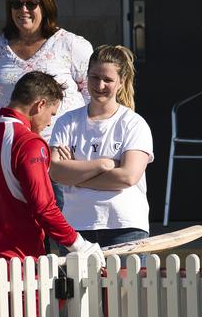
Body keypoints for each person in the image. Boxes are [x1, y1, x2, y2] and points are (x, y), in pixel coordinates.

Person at [0, 70, 103, 264]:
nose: (49, 124)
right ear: (40, 105)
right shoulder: (28, 143)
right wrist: (80, 245)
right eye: (51, 114)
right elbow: (45, 207)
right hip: (17, 266)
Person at [0, 0, 93, 227]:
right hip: (11, 156)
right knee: (22, 230)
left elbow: (92, 96)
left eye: (31, 3)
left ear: (45, 6)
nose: (23, 10)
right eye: (16, 4)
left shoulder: (71, 45)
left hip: (60, 155)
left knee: (64, 227)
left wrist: (81, 142)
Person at [49, 45, 154, 249]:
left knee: (124, 283)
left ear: (121, 82)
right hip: (76, 227)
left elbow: (127, 177)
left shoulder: (134, 123)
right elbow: (56, 172)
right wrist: (104, 164)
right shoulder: (66, 121)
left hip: (124, 225)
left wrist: (76, 174)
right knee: (78, 283)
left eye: (108, 80)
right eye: (94, 77)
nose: (100, 85)